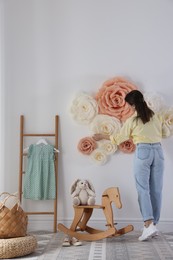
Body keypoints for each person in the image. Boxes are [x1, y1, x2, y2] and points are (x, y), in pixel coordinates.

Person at [93, 90, 164, 241]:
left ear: (132, 105)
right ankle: (153, 225)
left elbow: (119, 138)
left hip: (143, 151)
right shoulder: (155, 116)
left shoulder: (133, 120)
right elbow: (162, 133)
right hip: (158, 152)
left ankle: (148, 224)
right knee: (156, 189)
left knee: (143, 189)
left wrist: (102, 136)